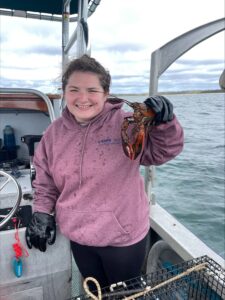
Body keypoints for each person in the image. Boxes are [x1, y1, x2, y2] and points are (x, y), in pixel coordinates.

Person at [25, 54, 184, 290]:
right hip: (79, 235)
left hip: (122, 237)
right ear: (64, 92)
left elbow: (162, 152)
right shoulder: (53, 133)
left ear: (106, 93)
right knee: (94, 291)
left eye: (92, 90)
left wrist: (165, 123)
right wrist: (42, 213)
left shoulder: (128, 123)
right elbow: (46, 180)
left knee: (124, 293)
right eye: (74, 89)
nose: (83, 98)